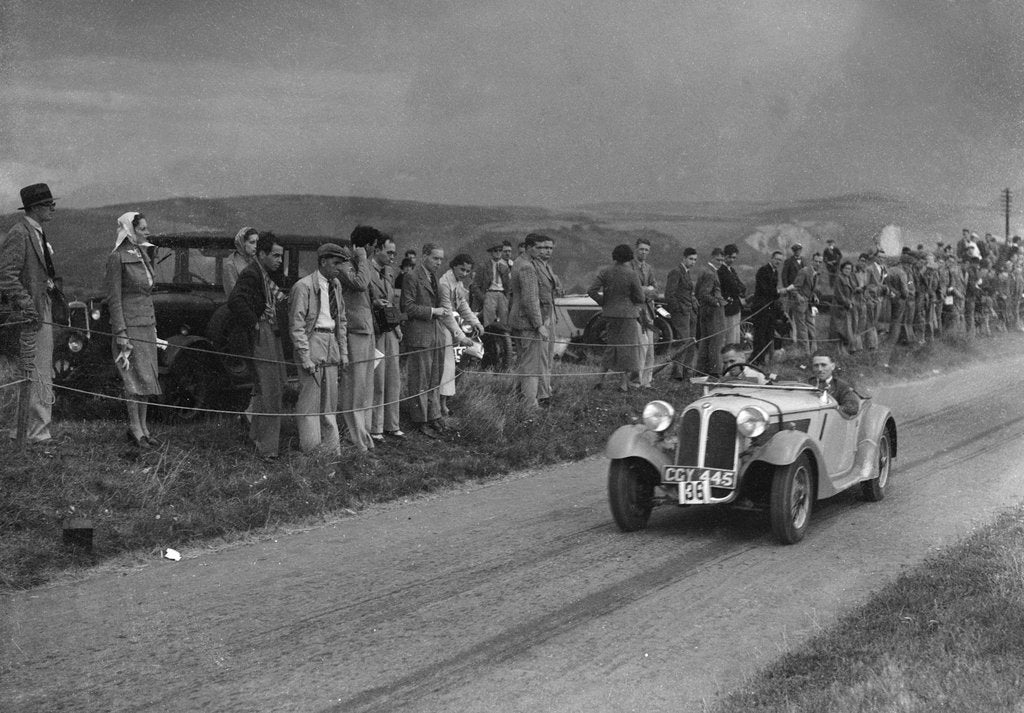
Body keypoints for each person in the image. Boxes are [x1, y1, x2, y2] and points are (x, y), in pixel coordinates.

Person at [0, 183, 60, 444]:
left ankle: (30, 429)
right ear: (35, 207)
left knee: (39, 369)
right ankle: (35, 433)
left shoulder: (36, 232)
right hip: (31, 313)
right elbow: (6, 275)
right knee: (36, 370)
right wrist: (27, 305)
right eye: (49, 205)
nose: (53, 209)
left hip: (40, 306)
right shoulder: (20, 232)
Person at [227, 232, 287, 459]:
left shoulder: (261, 273)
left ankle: (257, 438)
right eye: (275, 255)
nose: (279, 260)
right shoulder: (252, 274)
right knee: (270, 390)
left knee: (267, 389)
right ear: (262, 254)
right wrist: (254, 322)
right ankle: (267, 448)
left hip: (268, 333)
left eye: (281, 256)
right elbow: (235, 300)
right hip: (263, 334)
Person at [105, 212, 161, 448]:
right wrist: (121, 332)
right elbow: (114, 298)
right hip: (130, 326)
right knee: (133, 377)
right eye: (142, 229)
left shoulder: (143, 253)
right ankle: (134, 427)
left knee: (147, 376)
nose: (147, 232)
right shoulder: (117, 257)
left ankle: (144, 427)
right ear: (130, 230)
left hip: (147, 324)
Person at [289, 243, 349, 455]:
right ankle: (312, 451)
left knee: (329, 401)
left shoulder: (336, 286)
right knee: (310, 401)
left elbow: (341, 320)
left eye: (341, 264)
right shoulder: (303, 286)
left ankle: (332, 451)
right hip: (312, 339)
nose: (339, 268)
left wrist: (343, 352)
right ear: (323, 261)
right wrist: (305, 356)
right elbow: (296, 325)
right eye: (335, 263)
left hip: (331, 340)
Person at [401, 243, 449, 437]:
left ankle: (433, 415)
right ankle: (420, 420)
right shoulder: (411, 277)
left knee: (434, 377)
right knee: (420, 379)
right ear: (424, 256)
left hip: (435, 334)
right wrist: (433, 311)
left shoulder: (433, 277)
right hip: (420, 335)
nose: (438, 262)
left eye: (441, 259)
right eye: (435, 258)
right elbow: (407, 307)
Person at [338, 226, 378, 452]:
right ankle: (355, 438)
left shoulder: (357, 263)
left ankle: (362, 434)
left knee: (364, 387)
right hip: (355, 330)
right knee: (355, 386)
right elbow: (361, 283)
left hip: (365, 329)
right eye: (373, 247)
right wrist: (362, 258)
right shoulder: (346, 263)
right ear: (366, 246)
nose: (374, 251)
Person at [588, 244, 646, 392]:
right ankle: (623, 384)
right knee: (627, 350)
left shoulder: (605, 271)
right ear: (629, 257)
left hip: (610, 314)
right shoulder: (632, 274)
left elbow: (591, 290)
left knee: (611, 347)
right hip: (628, 315)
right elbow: (640, 297)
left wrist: (605, 302)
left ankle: (600, 380)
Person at [368, 233, 404, 441]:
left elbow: (392, 301)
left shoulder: (389, 272)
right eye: (389, 252)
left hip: (391, 328)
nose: (392, 257)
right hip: (376, 329)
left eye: (394, 253)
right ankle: (376, 427)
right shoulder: (367, 271)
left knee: (393, 377)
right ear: (377, 249)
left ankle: (392, 424)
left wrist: (397, 326)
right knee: (378, 379)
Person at [438, 254, 483, 415]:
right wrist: (461, 336)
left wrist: (475, 322)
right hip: (441, 327)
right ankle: (440, 404)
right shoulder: (444, 283)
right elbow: (446, 313)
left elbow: (462, 304)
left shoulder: (457, 282)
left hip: (451, 328)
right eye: (462, 269)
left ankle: (444, 402)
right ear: (453, 266)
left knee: (453, 365)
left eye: (467, 271)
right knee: (446, 366)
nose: (464, 273)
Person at [507, 234, 547, 408]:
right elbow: (530, 300)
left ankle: (517, 397)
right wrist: (539, 325)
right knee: (531, 364)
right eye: (538, 247)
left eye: (543, 247)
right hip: (527, 322)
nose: (542, 251)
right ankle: (530, 404)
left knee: (523, 361)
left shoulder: (518, 262)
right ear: (529, 247)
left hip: (517, 319)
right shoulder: (527, 267)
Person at [532, 234, 560, 404]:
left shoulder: (547, 267)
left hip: (550, 314)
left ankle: (545, 388)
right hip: (542, 316)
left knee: (549, 356)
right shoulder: (533, 266)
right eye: (543, 248)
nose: (547, 251)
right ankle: (542, 394)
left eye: (550, 248)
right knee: (541, 356)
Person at [664, 247, 698, 378]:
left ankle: (686, 371)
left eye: (695, 260)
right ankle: (677, 373)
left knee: (691, 342)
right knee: (683, 342)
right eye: (691, 259)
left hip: (690, 312)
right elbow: (669, 294)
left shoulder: (687, 272)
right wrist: (678, 310)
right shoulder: (676, 272)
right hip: (681, 313)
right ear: (684, 258)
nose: (693, 262)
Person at [695, 247, 727, 376]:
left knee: (706, 342)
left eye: (722, 260)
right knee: (715, 343)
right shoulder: (710, 273)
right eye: (718, 260)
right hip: (713, 313)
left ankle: (701, 371)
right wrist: (717, 302)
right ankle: (715, 372)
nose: (720, 262)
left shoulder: (706, 270)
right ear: (711, 258)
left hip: (706, 312)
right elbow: (703, 294)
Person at [750, 250, 785, 366]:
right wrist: (779, 291)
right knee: (760, 336)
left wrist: (777, 293)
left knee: (768, 335)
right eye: (776, 259)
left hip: (770, 309)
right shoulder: (763, 271)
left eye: (780, 260)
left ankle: (761, 360)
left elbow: (773, 294)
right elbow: (765, 290)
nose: (778, 262)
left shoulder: (775, 272)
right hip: (761, 308)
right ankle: (755, 361)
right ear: (771, 258)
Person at [631, 238, 658, 388]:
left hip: (648, 310)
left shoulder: (649, 268)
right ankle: (636, 380)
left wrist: (646, 291)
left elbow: (656, 290)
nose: (644, 252)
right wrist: (647, 289)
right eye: (641, 249)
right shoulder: (630, 266)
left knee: (650, 348)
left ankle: (647, 380)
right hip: (636, 310)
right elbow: (632, 289)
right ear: (636, 249)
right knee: (641, 345)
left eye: (646, 250)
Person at [808, 350, 860, 417]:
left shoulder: (842, 387)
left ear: (832, 366)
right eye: (816, 365)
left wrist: (834, 408)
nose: (820, 369)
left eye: (823, 365)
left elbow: (852, 408)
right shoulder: (805, 384)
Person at [472, 243, 511, 326]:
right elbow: (475, 285)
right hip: (490, 293)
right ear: (491, 253)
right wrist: (483, 297)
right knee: (489, 321)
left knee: (504, 321)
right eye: (495, 251)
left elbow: (508, 285)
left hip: (502, 294)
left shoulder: (505, 267)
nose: (498, 253)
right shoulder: (484, 266)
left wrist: (506, 297)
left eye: (500, 250)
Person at [791, 252, 823, 354]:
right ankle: (805, 353)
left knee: (811, 327)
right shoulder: (804, 271)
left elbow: (810, 289)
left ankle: (813, 352)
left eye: (820, 262)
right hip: (800, 305)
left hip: (808, 304)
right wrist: (798, 296)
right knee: (802, 329)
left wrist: (814, 296)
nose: (818, 263)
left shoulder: (816, 274)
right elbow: (794, 288)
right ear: (811, 261)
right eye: (816, 261)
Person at [830, 261, 861, 354]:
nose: (848, 270)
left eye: (849, 269)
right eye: (846, 268)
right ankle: (840, 351)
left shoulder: (849, 278)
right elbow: (839, 294)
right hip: (839, 307)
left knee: (847, 328)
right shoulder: (839, 278)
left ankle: (846, 349)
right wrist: (847, 303)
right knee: (840, 329)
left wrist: (858, 290)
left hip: (847, 307)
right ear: (842, 269)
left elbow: (853, 288)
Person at [719, 243, 746, 344]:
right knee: (730, 334)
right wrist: (738, 290)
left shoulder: (732, 270)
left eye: (734, 258)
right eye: (730, 257)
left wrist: (739, 290)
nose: (732, 260)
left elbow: (742, 286)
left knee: (735, 333)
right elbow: (732, 288)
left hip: (735, 306)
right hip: (728, 307)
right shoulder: (721, 271)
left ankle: (734, 351)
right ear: (724, 256)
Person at [224, 227, 258, 296]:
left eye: (257, 242)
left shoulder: (256, 260)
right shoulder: (231, 265)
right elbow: (233, 295)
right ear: (242, 243)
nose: (256, 246)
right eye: (252, 242)